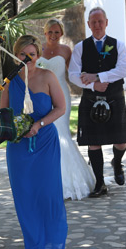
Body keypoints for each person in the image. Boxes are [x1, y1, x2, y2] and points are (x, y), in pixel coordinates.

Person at [1, 34, 68, 249]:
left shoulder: (47, 77)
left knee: (48, 193)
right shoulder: (9, 81)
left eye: (31, 54)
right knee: (25, 195)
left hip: (45, 143)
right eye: (22, 54)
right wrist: (14, 128)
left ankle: (53, 244)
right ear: (15, 55)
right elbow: (3, 113)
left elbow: (61, 107)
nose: (27, 58)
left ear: (38, 55)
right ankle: (33, 247)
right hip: (18, 147)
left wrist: (38, 124)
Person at [67, 7, 126, 197]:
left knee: (121, 142)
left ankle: (117, 163)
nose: (97, 25)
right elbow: (73, 74)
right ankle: (100, 183)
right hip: (90, 97)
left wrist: (97, 76)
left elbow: (122, 70)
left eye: (100, 21)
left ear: (106, 22)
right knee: (93, 142)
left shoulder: (118, 45)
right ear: (88, 24)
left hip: (114, 97)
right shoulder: (80, 47)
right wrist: (93, 86)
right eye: (93, 22)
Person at [38, 18, 95, 200]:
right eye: (50, 32)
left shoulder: (66, 50)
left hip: (61, 93)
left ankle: (68, 182)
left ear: (61, 33)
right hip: (42, 95)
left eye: (57, 32)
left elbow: (74, 73)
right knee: (47, 134)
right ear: (45, 33)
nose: (53, 36)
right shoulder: (38, 49)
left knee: (61, 134)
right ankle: (48, 180)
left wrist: (90, 80)